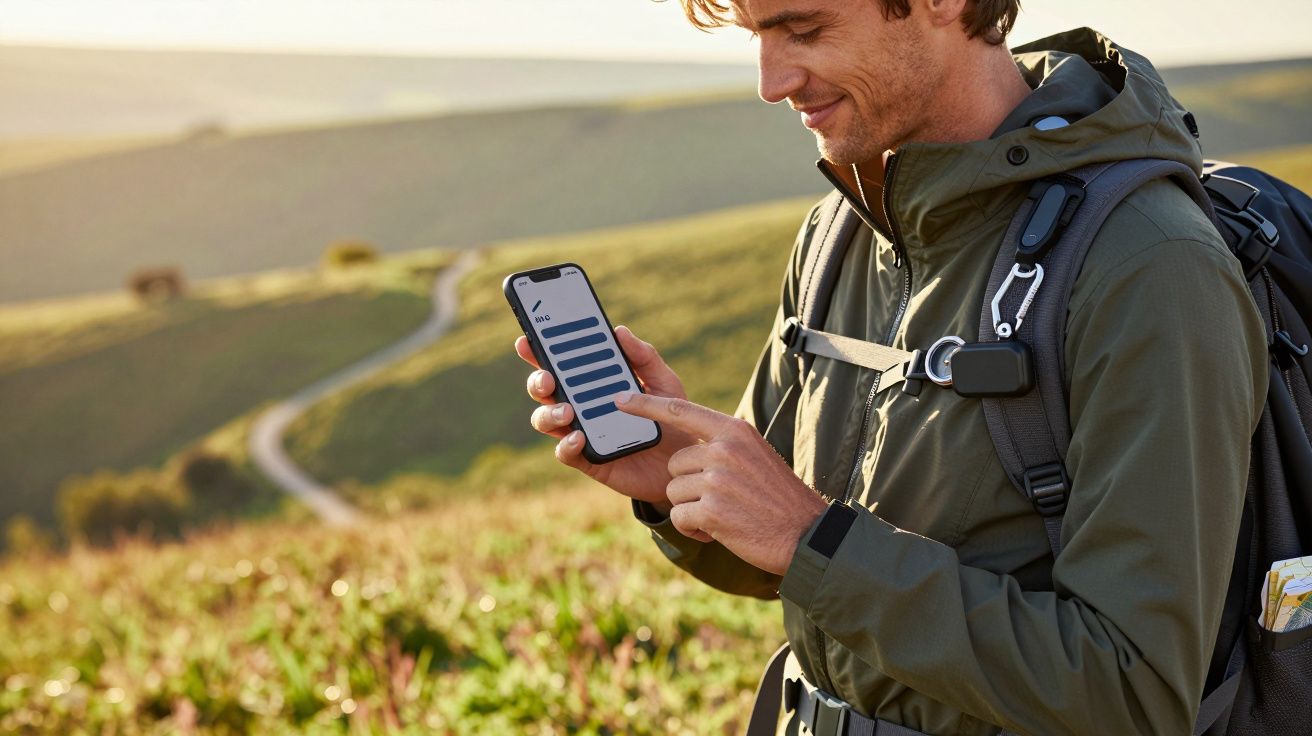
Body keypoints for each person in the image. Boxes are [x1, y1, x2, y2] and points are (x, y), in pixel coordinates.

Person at [513, 1, 1269, 733]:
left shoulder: (1150, 267)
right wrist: (681, 484)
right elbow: (787, 564)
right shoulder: (839, 232)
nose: (771, 82)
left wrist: (814, 538)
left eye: (802, 30)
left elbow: (1134, 692)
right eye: (757, 38)